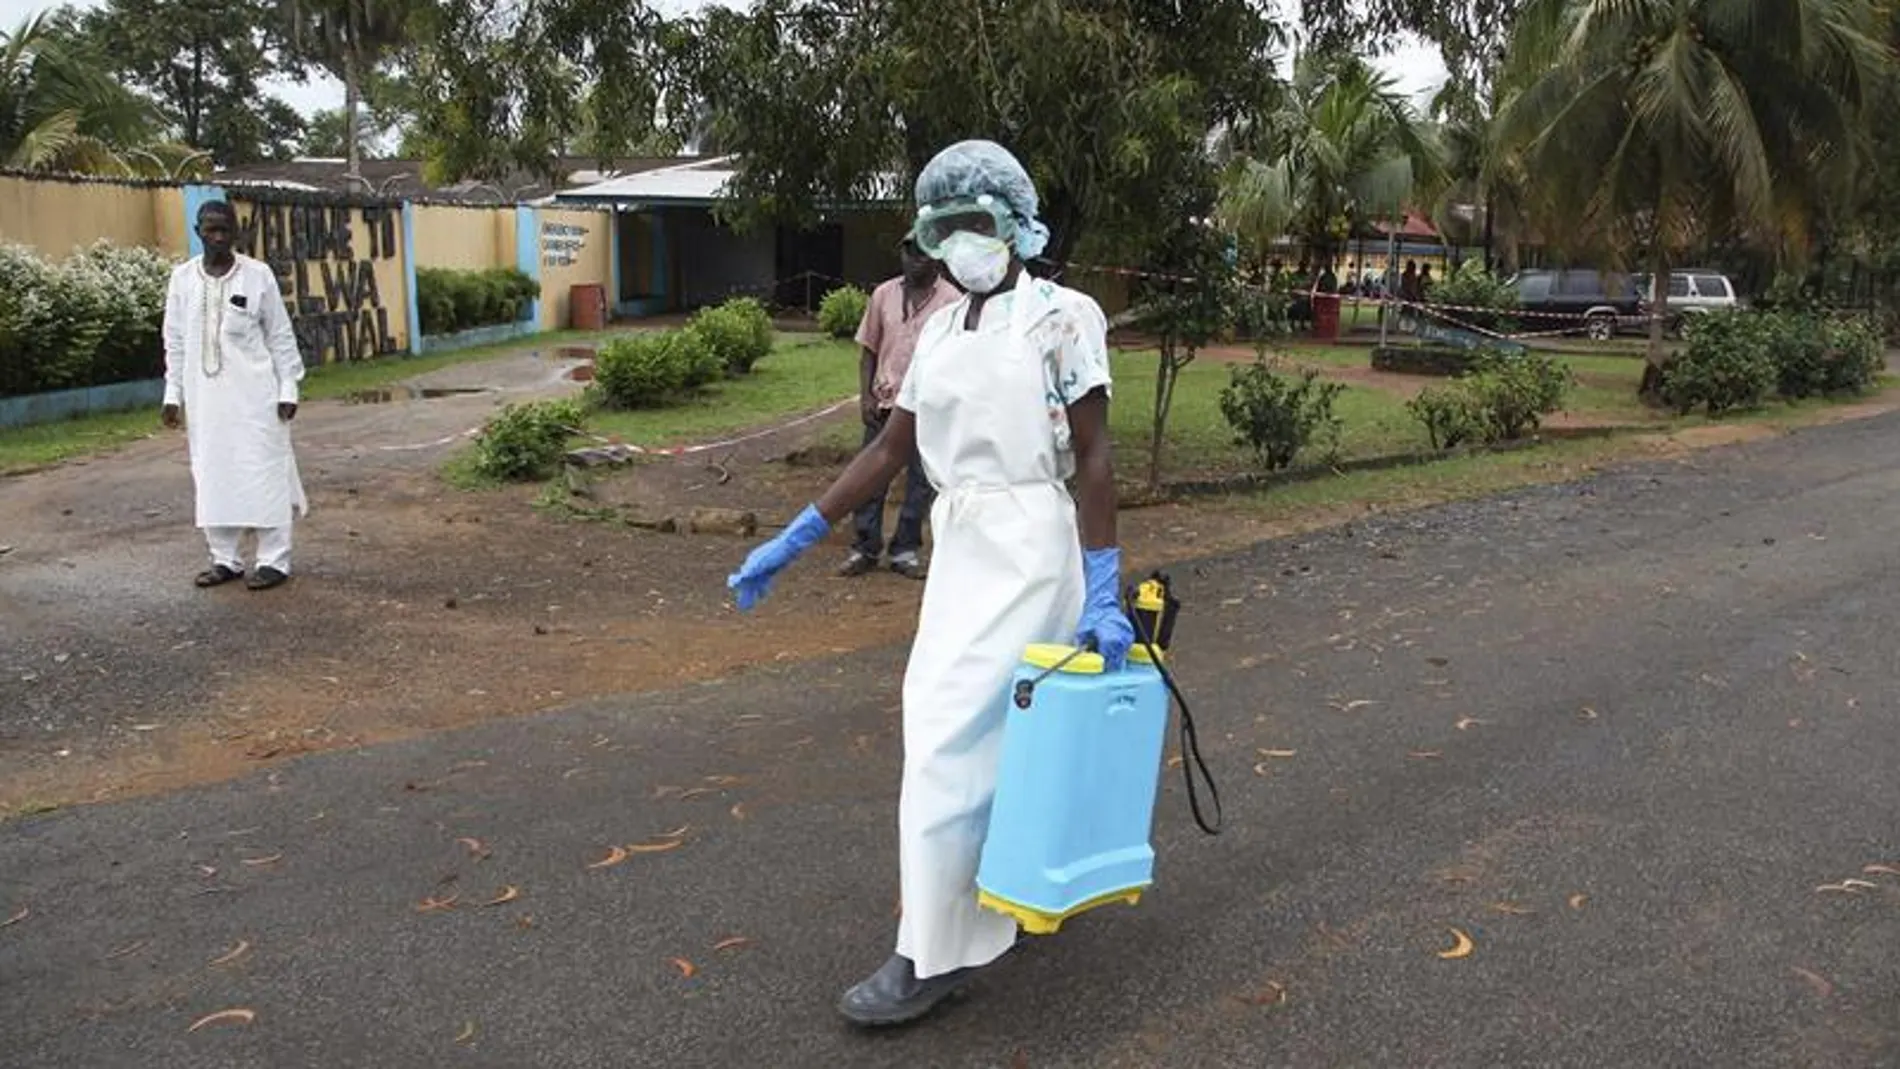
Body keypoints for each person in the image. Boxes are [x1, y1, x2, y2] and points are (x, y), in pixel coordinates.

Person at [725, 140, 1136, 1027]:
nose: (960, 241)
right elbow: (890, 449)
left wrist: (1105, 584)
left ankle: (931, 952)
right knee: (980, 739)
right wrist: (801, 533)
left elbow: (1096, 457)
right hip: (959, 545)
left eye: (976, 223)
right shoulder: (943, 329)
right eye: (943, 226)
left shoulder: (1066, 317)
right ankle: (997, 905)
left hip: (1032, 542)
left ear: (1016, 227)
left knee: (953, 737)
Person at [160, 200, 309, 591]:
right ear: (198, 232)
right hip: (205, 401)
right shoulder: (182, 279)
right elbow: (174, 340)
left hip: (256, 398)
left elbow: (280, 335)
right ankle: (224, 559)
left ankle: (274, 560)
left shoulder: (257, 276)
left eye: (225, 229)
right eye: (211, 230)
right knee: (212, 474)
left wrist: (288, 387)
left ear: (236, 232)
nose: (219, 237)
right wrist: (172, 394)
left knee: (264, 472)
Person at [839, 236, 958, 580]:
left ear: (938, 257)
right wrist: (866, 396)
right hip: (886, 403)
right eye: (909, 251)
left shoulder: (952, 301)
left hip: (929, 408)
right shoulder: (883, 295)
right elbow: (868, 352)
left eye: (924, 252)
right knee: (870, 477)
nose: (916, 259)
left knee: (922, 482)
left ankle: (905, 549)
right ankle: (864, 547)